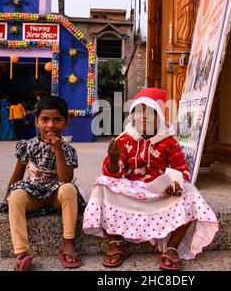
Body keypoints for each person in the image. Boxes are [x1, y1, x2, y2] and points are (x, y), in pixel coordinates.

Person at [83, 88, 218, 270]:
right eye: (139, 112)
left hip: (160, 193)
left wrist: (174, 185)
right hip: (130, 190)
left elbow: (181, 171)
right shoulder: (124, 141)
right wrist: (114, 158)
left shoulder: (169, 141)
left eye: (150, 113)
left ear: (160, 117)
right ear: (132, 116)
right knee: (101, 184)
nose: (144, 117)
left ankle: (172, 248)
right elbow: (113, 173)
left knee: (191, 193)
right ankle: (115, 243)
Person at [0, 96, 85, 271]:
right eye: (45, 120)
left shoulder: (68, 150)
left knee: (69, 189)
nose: (51, 125)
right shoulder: (28, 146)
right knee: (16, 195)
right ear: (36, 121)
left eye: (57, 120)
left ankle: (68, 243)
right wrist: (4, 203)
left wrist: (58, 151)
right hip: (33, 196)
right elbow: (17, 177)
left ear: (66, 122)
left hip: (57, 197)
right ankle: (21, 254)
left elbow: (65, 179)